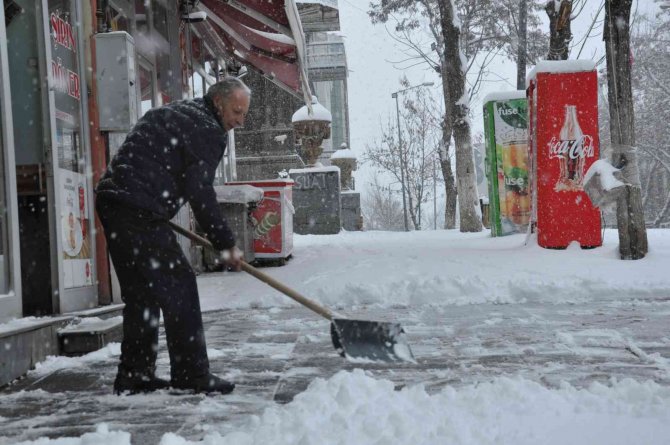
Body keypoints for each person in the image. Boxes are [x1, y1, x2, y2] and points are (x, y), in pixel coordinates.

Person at [95, 77, 250, 395]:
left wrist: (142, 201)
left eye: (243, 114)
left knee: (142, 294)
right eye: (237, 111)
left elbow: (141, 161)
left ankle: (135, 375)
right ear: (218, 103)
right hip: (139, 210)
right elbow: (201, 192)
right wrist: (225, 244)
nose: (239, 121)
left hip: (114, 203)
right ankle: (191, 374)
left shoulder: (171, 113)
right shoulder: (208, 130)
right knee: (180, 285)